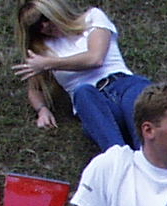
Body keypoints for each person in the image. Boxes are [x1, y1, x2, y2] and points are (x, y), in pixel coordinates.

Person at [14, 0, 151, 151]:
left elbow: (95, 59)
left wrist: (49, 63)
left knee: (144, 134)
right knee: (83, 92)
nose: (44, 26)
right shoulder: (42, 50)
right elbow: (35, 89)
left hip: (123, 85)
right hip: (92, 102)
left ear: (55, 11)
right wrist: (42, 110)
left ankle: (146, 156)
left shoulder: (92, 18)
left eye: (44, 18)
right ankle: (118, 159)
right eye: (36, 26)